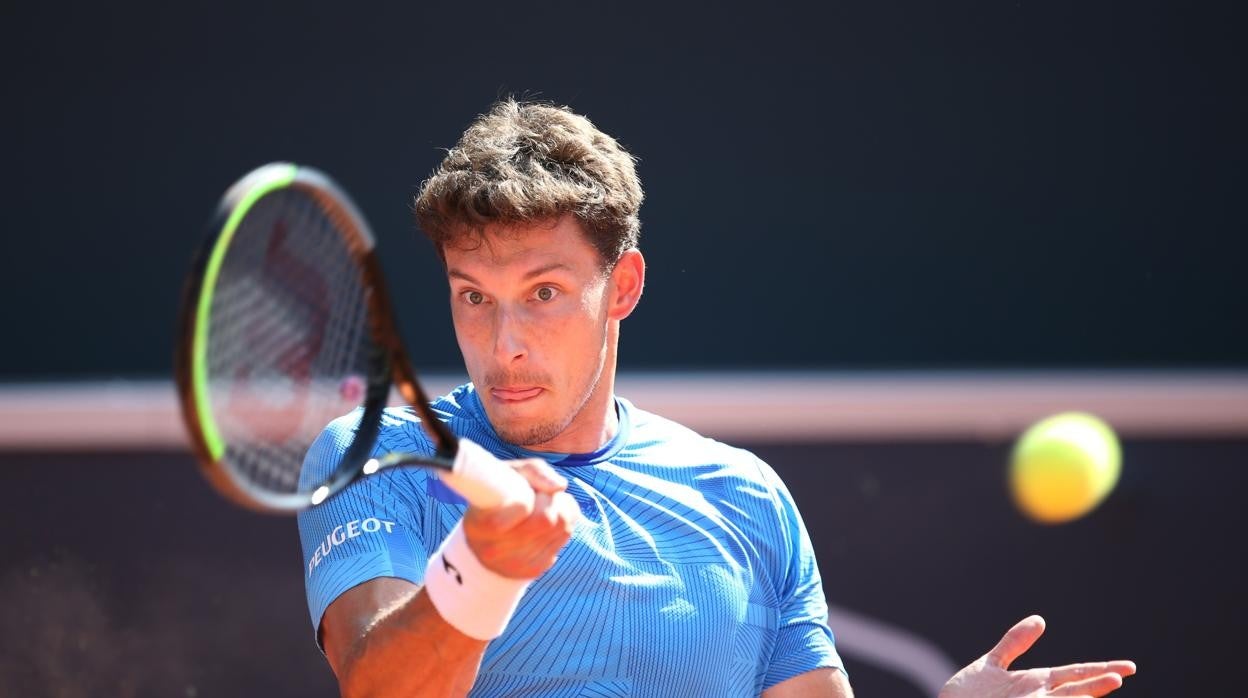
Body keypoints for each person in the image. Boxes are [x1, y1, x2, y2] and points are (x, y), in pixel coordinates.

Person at [297, 100, 1137, 697]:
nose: (503, 342)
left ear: (621, 286)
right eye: (473, 295)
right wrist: (480, 569)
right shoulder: (381, 453)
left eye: (545, 292)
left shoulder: (746, 496)